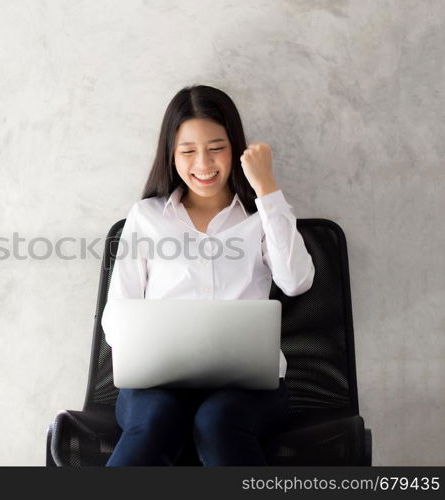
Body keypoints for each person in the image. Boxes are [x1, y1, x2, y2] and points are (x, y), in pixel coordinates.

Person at [101, 85, 315, 466]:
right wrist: (147, 352)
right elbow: (117, 313)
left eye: (216, 148)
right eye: (188, 151)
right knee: (155, 419)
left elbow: (296, 280)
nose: (203, 163)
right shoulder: (146, 217)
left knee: (218, 421)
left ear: (235, 148)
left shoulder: (260, 216)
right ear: (171, 154)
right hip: (157, 386)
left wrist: (265, 188)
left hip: (246, 389)